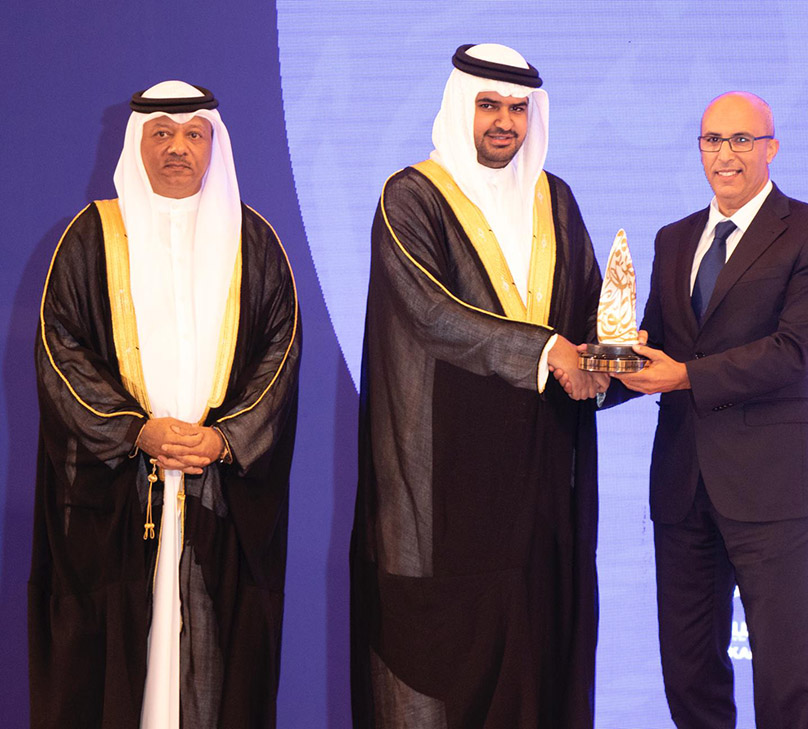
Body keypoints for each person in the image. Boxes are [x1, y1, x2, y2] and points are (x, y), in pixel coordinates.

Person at [351, 43, 615, 729]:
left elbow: (587, 310)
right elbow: (430, 312)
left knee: (541, 650)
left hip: (544, 478)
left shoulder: (556, 200)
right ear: (460, 106)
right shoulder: (412, 197)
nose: (505, 122)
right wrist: (547, 350)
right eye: (490, 105)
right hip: (449, 483)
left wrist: (611, 355)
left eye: (518, 109)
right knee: (450, 673)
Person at [30, 81, 300, 729]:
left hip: (217, 490)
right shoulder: (91, 236)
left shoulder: (254, 241)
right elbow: (59, 347)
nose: (178, 147)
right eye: (162, 134)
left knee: (219, 658)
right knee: (109, 662)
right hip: (117, 494)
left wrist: (225, 439)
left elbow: (281, 349)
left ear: (213, 145)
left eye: (193, 134)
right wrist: (135, 431)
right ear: (138, 143)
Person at [614, 91, 808, 729]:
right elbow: (657, 348)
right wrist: (600, 369)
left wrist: (686, 375)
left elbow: (796, 350)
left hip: (772, 490)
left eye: (742, 139)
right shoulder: (674, 238)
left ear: (772, 148)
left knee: (785, 673)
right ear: (700, 150)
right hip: (682, 487)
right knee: (688, 669)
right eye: (713, 140)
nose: (726, 154)